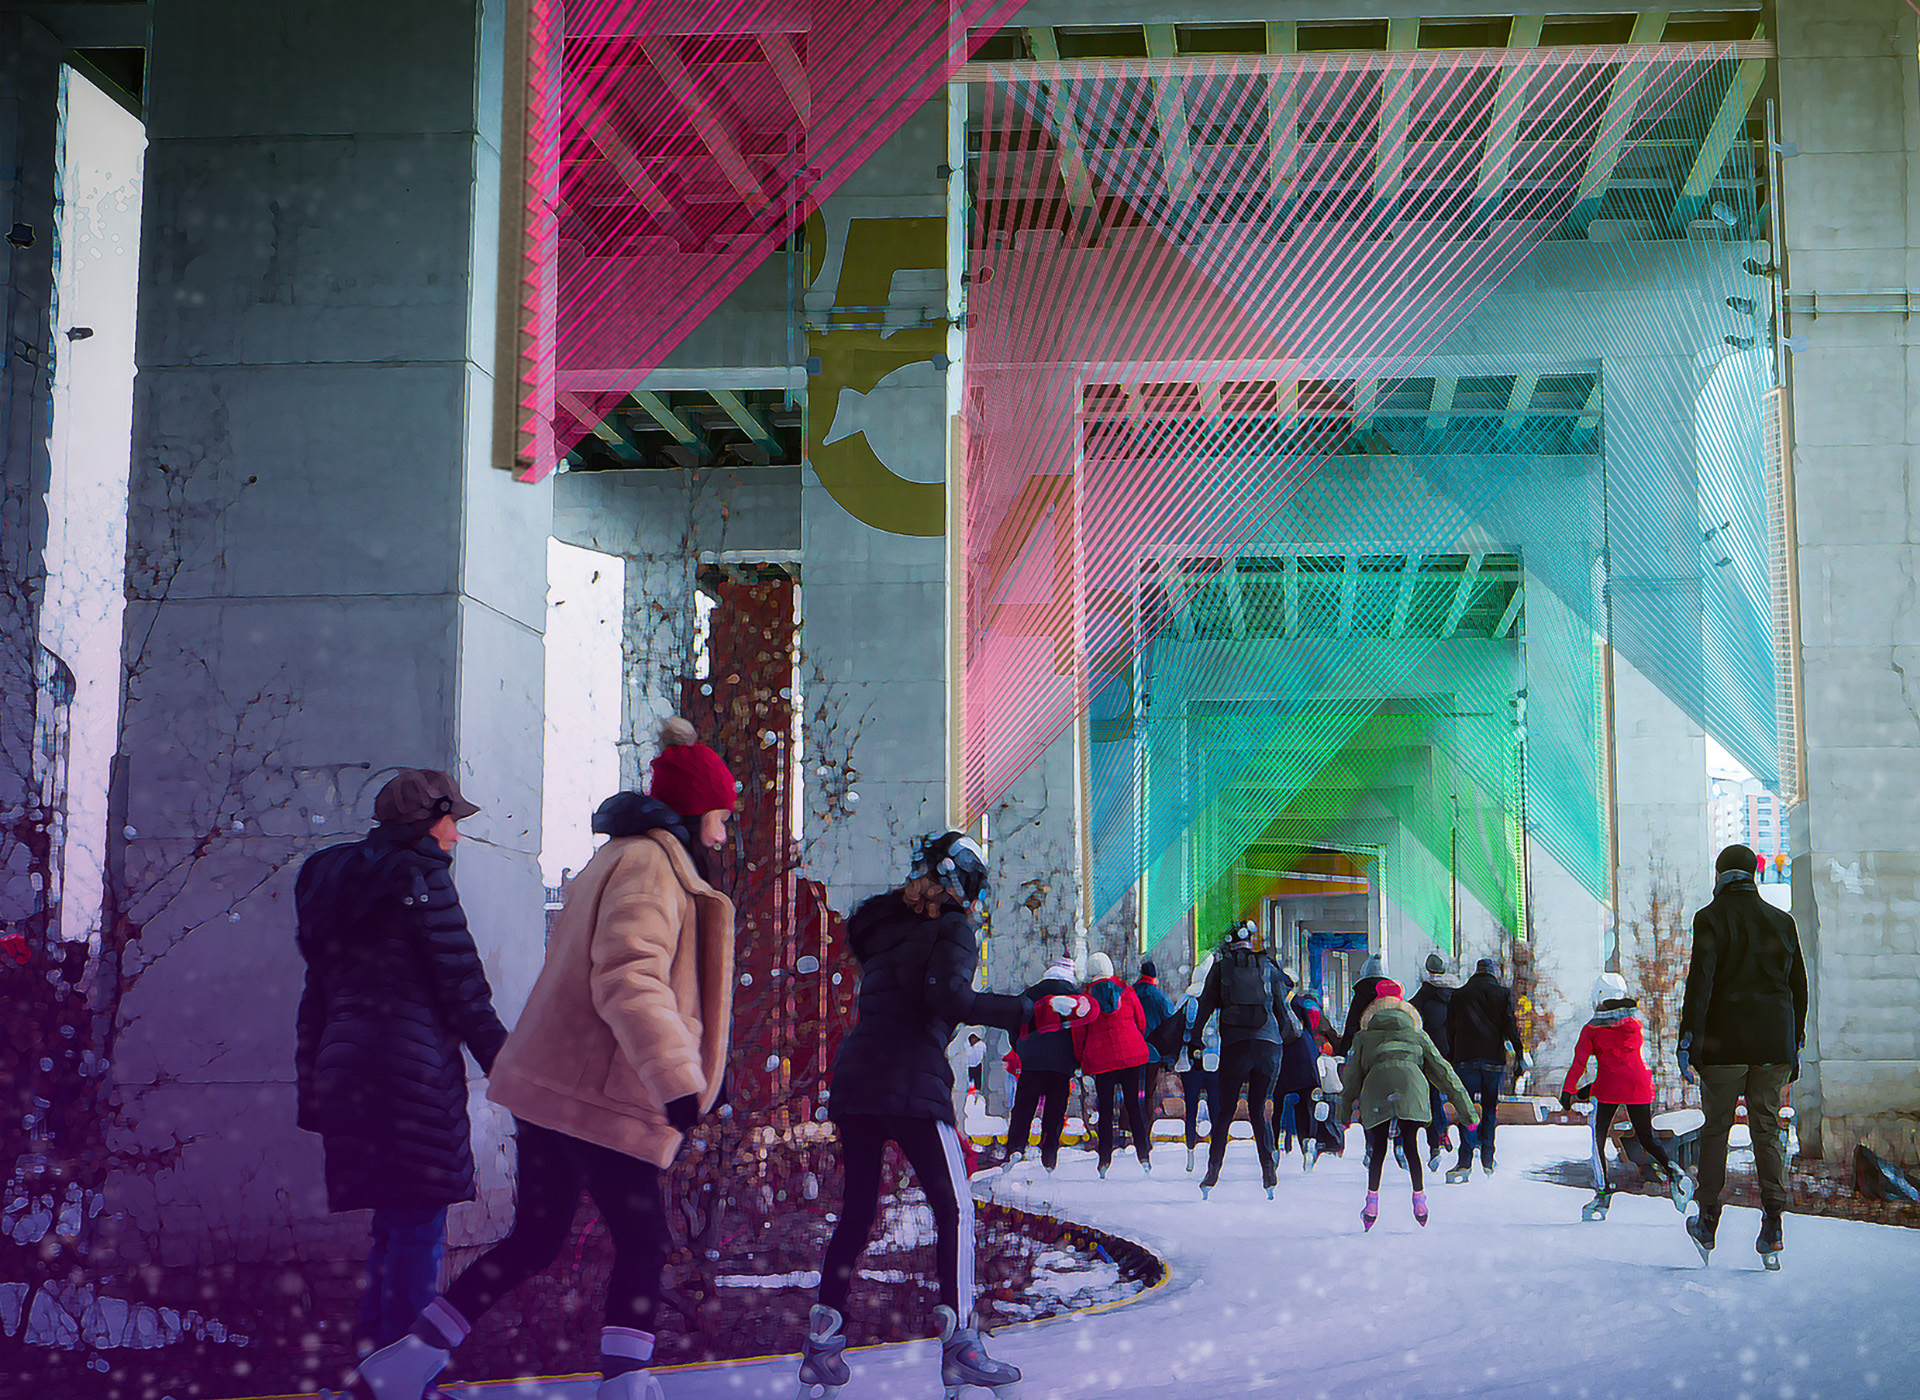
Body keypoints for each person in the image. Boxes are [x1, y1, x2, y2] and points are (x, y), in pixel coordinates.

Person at [347, 719, 738, 1400]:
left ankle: (408, 1361)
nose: (723, 835)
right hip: (601, 1093)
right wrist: (677, 1080)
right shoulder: (650, 865)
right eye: (720, 818)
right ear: (694, 813)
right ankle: (625, 1387)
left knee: (534, 1240)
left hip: (558, 1086)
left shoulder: (619, 859)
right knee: (643, 1241)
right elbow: (629, 976)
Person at [799, 832, 1028, 1400]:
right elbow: (947, 997)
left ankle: (823, 1344)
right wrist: (1020, 1011)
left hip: (855, 1081)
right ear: (965, 884)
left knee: (856, 1213)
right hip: (911, 1084)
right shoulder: (953, 927)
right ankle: (962, 1345)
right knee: (955, 1207)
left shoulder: (884, 932)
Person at [294, 769, 507, 1360]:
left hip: (347, 1069)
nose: (456, 837)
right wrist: (513, 1073)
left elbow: (317, 996)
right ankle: (404, 1374)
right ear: (426, 823)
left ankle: (375, 1365)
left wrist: (313, 1088)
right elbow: (463, 989)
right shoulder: (421, 876)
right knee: (417, 1232)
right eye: (451, 822)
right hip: (409, 1073)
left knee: (395, 1225)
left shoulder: (330, 882)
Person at [1678, 844, 1808, 1268]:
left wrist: (1688, 1039)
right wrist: (1795, 1042)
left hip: (1724, 1046)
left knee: (1716, 1129)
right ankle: (1773, 1225)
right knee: (1766, 1130)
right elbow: (1799, 990)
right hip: (1773, 1046)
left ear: (1720, 875)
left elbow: (1701, 984)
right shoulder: (1782, 921)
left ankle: (1708, 1222)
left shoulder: (1710, 918)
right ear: (1753, 874)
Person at [1337, 978, 1478, 1230]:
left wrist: (1344, 1114)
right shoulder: (1417, 1034)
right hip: (1411, 1086)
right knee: (1411, 1144)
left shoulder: (1364, 1036)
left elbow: (1352, 1078)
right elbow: (1444, 1073)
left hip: (1377, 1087)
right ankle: (1420, 1201)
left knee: (1378, 1147)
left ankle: (1371, 1205)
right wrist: (1467, 1114)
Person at [1561, 972, 1692, 1220]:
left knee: (1598, 1139)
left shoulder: (1591, 1029)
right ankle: (1676, 1173)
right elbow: (1624, 1063)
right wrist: (1585, 1090)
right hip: (1640, 1085)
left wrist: (1569, 1091)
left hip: (1609, 1087)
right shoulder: (1636, 1024)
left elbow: (1579, 1064)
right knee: (1646, 1137)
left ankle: (1602, 1193)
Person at [1188, 922, 1302, 1199]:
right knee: (1258, 1109)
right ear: (1250, 941)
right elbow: (1281, 1010)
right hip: (1269, 1046)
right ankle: (1269, 1175)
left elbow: (1204, 1006)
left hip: (1236, 1046)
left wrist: (1195, 1039)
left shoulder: (1221, 967)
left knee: (1225, 1111)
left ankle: (1212, 1174)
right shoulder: (1267, 966)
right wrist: (1284, 1041)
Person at [1003, 955, 1093, 1172]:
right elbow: (1083, 1029)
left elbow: (1014, 1024)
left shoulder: (1029, 994)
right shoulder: (1076, 997)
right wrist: (1076, 1059)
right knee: (1055, 1109)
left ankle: (1016, 1147)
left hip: (1031, 1061)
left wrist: (1021, 1048)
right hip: (1062, 1064)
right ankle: (1049, 1154)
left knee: (1024, 1107)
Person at [1444, 956, 1529, 1181]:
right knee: (1490, 1109)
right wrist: (1519, 1054)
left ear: (1476, 972)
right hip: (1493, 1060)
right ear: (1492, 973)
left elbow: (1450, 1030)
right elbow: (1510, 1025)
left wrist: (1452, 1056)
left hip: (1465, 1059)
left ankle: (1465, 1161)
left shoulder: (1459, 995)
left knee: (1466, 1108)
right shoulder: (1501, 994)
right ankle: (1488, 1158)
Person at [1071, 952, 1154, 1177]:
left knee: (1105, 1111)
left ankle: (1104, 1160)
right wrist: (1134, 1038)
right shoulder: (1126, 992)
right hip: (1130, 1056)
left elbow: (1079, 1034)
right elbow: (1141, 1021)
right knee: (1133, 1107)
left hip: (1101, 1062)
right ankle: (1144, 1155)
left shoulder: (1085, 1000)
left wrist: (1081, 1059)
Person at [1408, 952, 1459, 1170]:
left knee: (1432, 1097)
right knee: (1459, 1095)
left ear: (1428, 970)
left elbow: (1410, 1015)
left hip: (1430, 1052)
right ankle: (1468, 1140)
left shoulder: (1425, 993)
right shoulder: (1457, 993)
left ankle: (1436, 1141)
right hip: (1454, 1052)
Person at [1269, 969, 1323, 1168]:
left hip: (1280, 1058)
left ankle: (1274, 1149)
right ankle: (1308, 1143)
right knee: (1305, 1105)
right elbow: (1309, 1031)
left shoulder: (1271, 1004)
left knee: (1277, 1104)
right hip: (1303, 1057)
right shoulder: (1299, 1003)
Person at [1174, 957, 1221, 1174]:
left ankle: (1190, 1153)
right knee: (1216, 1108)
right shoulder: (1219, 998)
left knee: (1190, 1108)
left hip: (1189, 1060)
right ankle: (1215, 1154)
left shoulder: (1186, 998)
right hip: (1213, 1059)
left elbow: (1174, 1025)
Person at [1132, 958, 1179, 1146]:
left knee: (1131, 1092)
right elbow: (1170, 1022)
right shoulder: (1159, 996)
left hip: (1131, 1050)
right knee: (1149, 1094)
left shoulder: (1131, 993)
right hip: (1152, 1052)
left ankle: (1130, 1129)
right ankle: (1145, 1133)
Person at [1333, 950, 1391, 1054]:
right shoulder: (1391, 996)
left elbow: (1351, 1028)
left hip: (1364, 1051)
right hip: (1388, 1048)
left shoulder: (1361, 994)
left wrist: (1343, 1053)